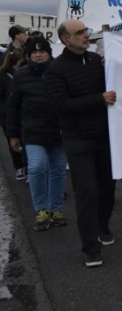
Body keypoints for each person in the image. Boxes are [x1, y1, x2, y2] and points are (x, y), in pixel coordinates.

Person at [46, 19, 117, 267]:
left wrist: (114, 69)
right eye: (80, 32)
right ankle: (90, 247)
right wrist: (99, 99)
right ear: (66, 39)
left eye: (86, 31)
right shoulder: (56, 69)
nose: (87, 35)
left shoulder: (97, 62)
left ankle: (102, 226)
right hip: (77, 140)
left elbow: (114, 89)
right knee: (86, 191)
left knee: (108, 187)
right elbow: (60, 105)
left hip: (104, 137)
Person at [6, 37, 69, 231]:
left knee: (58, 170)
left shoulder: (59, 72)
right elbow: (12, 107)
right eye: (34, 52)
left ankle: (56, 210)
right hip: (32, 132)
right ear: (29, 55)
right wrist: (13, 135)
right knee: (37, 168)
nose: (38, 55)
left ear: (49, 53)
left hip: (58, 131)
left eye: (42, 52)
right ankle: (41, 210)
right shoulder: (21, 75)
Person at [1, 49, 28, 180]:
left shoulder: (26, 74)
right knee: (13, 139)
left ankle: (28, 168)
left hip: (23, 112)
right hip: (6, 113)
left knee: (26, 139)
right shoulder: (2, 75)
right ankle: (18, 166)